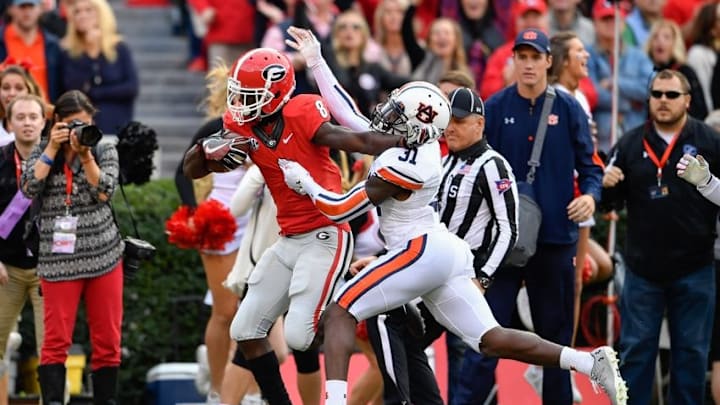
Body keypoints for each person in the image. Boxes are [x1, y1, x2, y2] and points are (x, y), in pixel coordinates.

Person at [277, 74, 627, 405]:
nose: (387, 116)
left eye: (398, 112)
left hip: (422, 251)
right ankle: (588, 363)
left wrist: (305, 182)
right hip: (437, 251)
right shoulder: (428, 150)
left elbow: (338, 209)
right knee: (489, 339)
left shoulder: (408, 164)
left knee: (341, 310)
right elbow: (351, 118)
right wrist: (317, 61)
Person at [181, 45, 441, 405]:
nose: (240, 104)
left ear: (275, 93)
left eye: (250, 96)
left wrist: (403, 140)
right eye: (239, 94)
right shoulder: (239, 125)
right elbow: (191, 169)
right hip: (287, 239)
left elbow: (358, 140)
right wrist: (205, 153)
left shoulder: (302, 110)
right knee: (245, 330)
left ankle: (361, 301)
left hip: (326, 233)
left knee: (300, 338)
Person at [459, 28, 604, 405]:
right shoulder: (494, 106)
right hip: (500, 245)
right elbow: (467, 164)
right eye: (521, 56)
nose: (527, 63)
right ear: (513, 61)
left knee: (556, 342)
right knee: (484, 336)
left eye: (534, 56)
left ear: (547, 61)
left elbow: (591, 167)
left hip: (554, 240)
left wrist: (589, 196)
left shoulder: (569, 108)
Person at [602, 69, 720, 405]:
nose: (663, 102)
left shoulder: (711, 142)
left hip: (695, 267)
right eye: (656, 94)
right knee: (636, 354)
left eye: (671, 95)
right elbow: (611, 202)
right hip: (643, 269)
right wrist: (608, 186)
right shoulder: (628, 142)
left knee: (692, 356)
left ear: (688, 100)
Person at [21, 89, 124, 405]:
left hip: (103, 257)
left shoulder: (104, 149)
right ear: (57, 124)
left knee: (107, 341)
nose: (79, 130)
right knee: (55, 341)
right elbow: (28, 188)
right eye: (71, 124)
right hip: (58, 260)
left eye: (85, 122)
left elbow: (105, 193)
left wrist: (85, 154)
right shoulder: (45, 150)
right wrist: (52, 146)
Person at [0, 94, 45, 405]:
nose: (27, 122)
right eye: (21, 117)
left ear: (44, 122)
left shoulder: (57, 161)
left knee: (53, 351)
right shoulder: (0, 159)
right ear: (9, 123)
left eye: (33, 117)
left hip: (48, 271)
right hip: (7, 271)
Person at [59, 0, 139, 134]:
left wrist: (96, 93)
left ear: (102, 14)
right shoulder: (68, 52)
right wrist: (89, 53)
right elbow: (72, 89)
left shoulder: (119, 49)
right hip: (81, 131)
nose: (82, 15)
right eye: (77, 12)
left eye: (88, 10)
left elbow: (131, 88)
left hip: (117, 128)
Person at [0, 0, 62, 102]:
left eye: (31, 6)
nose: (27, 12)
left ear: (40, 9)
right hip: (7, 113)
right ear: (11, 9)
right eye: (22, 7)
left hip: (44, 113)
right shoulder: (2, 40)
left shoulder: (53, 45)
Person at [0, 64, 44, 147]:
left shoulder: (48, 126)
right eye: (6, 88)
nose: (11, 93)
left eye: (19, 88)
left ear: (30, 91)